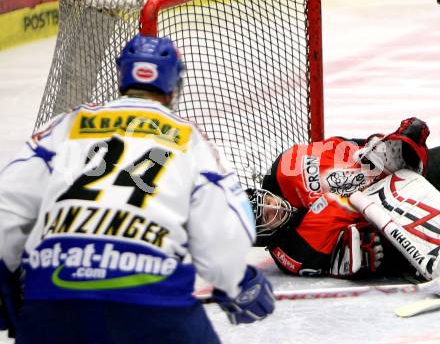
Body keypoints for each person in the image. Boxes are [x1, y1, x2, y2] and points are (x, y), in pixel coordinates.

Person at [0, 35, 275, 344]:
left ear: (122, 77)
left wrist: (4, 279)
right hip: (151, 301)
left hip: (53, 298)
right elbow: (223, 235)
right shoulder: (189, 139)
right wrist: (236, 283)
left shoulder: (70, 123)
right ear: (174, 87)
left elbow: (7, 204)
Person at [246, 117, 437, 279]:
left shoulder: (285, 169)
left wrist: (379, 146)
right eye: (264, 217)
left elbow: (345, 146)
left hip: (407, 176)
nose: (272, 207)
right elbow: (360, 255)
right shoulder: (293, 250)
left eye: (265, 201)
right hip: (405, 214)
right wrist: (366, 257)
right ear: (262, 237)